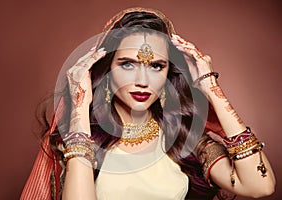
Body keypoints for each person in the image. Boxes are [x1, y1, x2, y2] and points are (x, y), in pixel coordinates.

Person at [21, 7, 275, 200]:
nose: (143, 80)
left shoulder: (183, 137)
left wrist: (211, 86)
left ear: (168, 73)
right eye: (127, 64)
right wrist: (79, 110)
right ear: (106, 69)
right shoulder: (79, 139)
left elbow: (260, 186)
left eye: (156, 66)